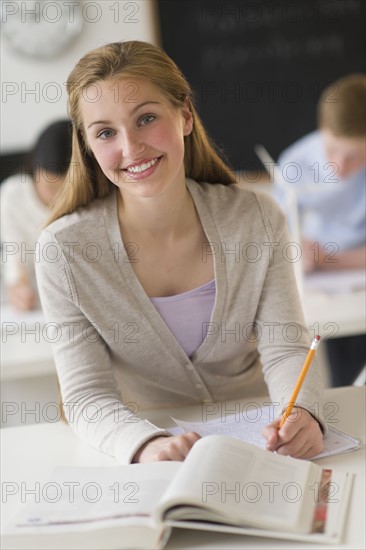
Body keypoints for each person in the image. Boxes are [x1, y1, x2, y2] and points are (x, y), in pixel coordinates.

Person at [35, 40, 325, 465]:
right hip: (145, 452)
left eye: (146, 118)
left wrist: (301, 414)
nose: (131, 148)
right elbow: (86, 395)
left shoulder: (256, 218)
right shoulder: (63, 251)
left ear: (185, 115)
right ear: (89, 147)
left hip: (262, 445)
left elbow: (285, 348)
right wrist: (146, 445)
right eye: (106, 132)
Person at [277, 74, 366, 387]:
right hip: (324, 288)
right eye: (332, 151)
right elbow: (282, 240)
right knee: (345, 374)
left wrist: (328, 259)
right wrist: (299, 252)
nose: (340, 167)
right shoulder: (294, 164)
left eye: (355, 156)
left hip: (343, 271)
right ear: (321, 131)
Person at [1, 120, 72, 310]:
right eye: (49, 186)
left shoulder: (85, 197)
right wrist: (18, 285)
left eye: (64, 189)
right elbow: (14, 250)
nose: (56, 196)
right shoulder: (13, 193)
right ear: (35, 166)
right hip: (35, 301)